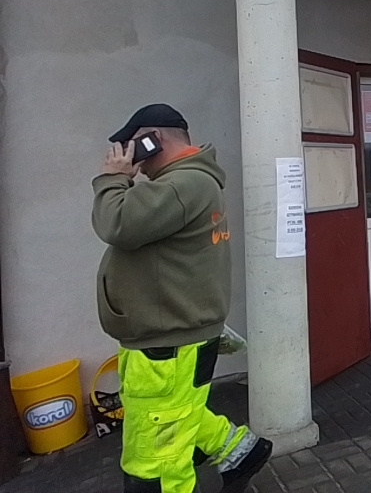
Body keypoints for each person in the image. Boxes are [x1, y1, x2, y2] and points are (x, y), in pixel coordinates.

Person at [92, 104, 272, 493]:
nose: (131, 157)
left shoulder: (183, 184)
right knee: (174, 413)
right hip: (169, 337)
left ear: (153, 140)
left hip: (167, 345)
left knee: (154, 459)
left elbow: (117, 224)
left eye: (134, 146)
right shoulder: (188, 182)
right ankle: (240, 451)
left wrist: (112, 179)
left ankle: (235, 454)